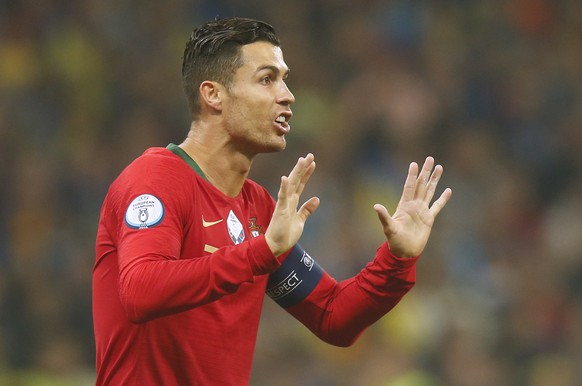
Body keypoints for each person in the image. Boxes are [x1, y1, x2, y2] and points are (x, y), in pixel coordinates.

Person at [92, 16, 452, 385]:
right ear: (213, 94)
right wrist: (260, 253)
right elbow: (140, 290)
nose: (287, 95)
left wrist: (397, 261)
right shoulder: (156, 179)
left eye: (284, 79)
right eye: (267, 79)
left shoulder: (257, 209)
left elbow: (333, 317)